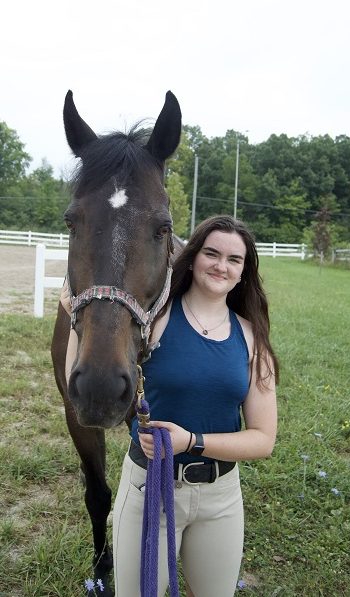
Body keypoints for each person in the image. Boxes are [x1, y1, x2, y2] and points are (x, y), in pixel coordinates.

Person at [63, 215, 278, 597]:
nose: (220, 265)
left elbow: (263, 440)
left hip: (220, 497)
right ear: (191, 258)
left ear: (244, 272)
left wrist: (191, 441)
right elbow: (83, 382)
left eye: (234, 259)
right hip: (149, 489)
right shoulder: (153, 322)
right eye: (211, 253)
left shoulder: (252, 337)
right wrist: (74, 312)